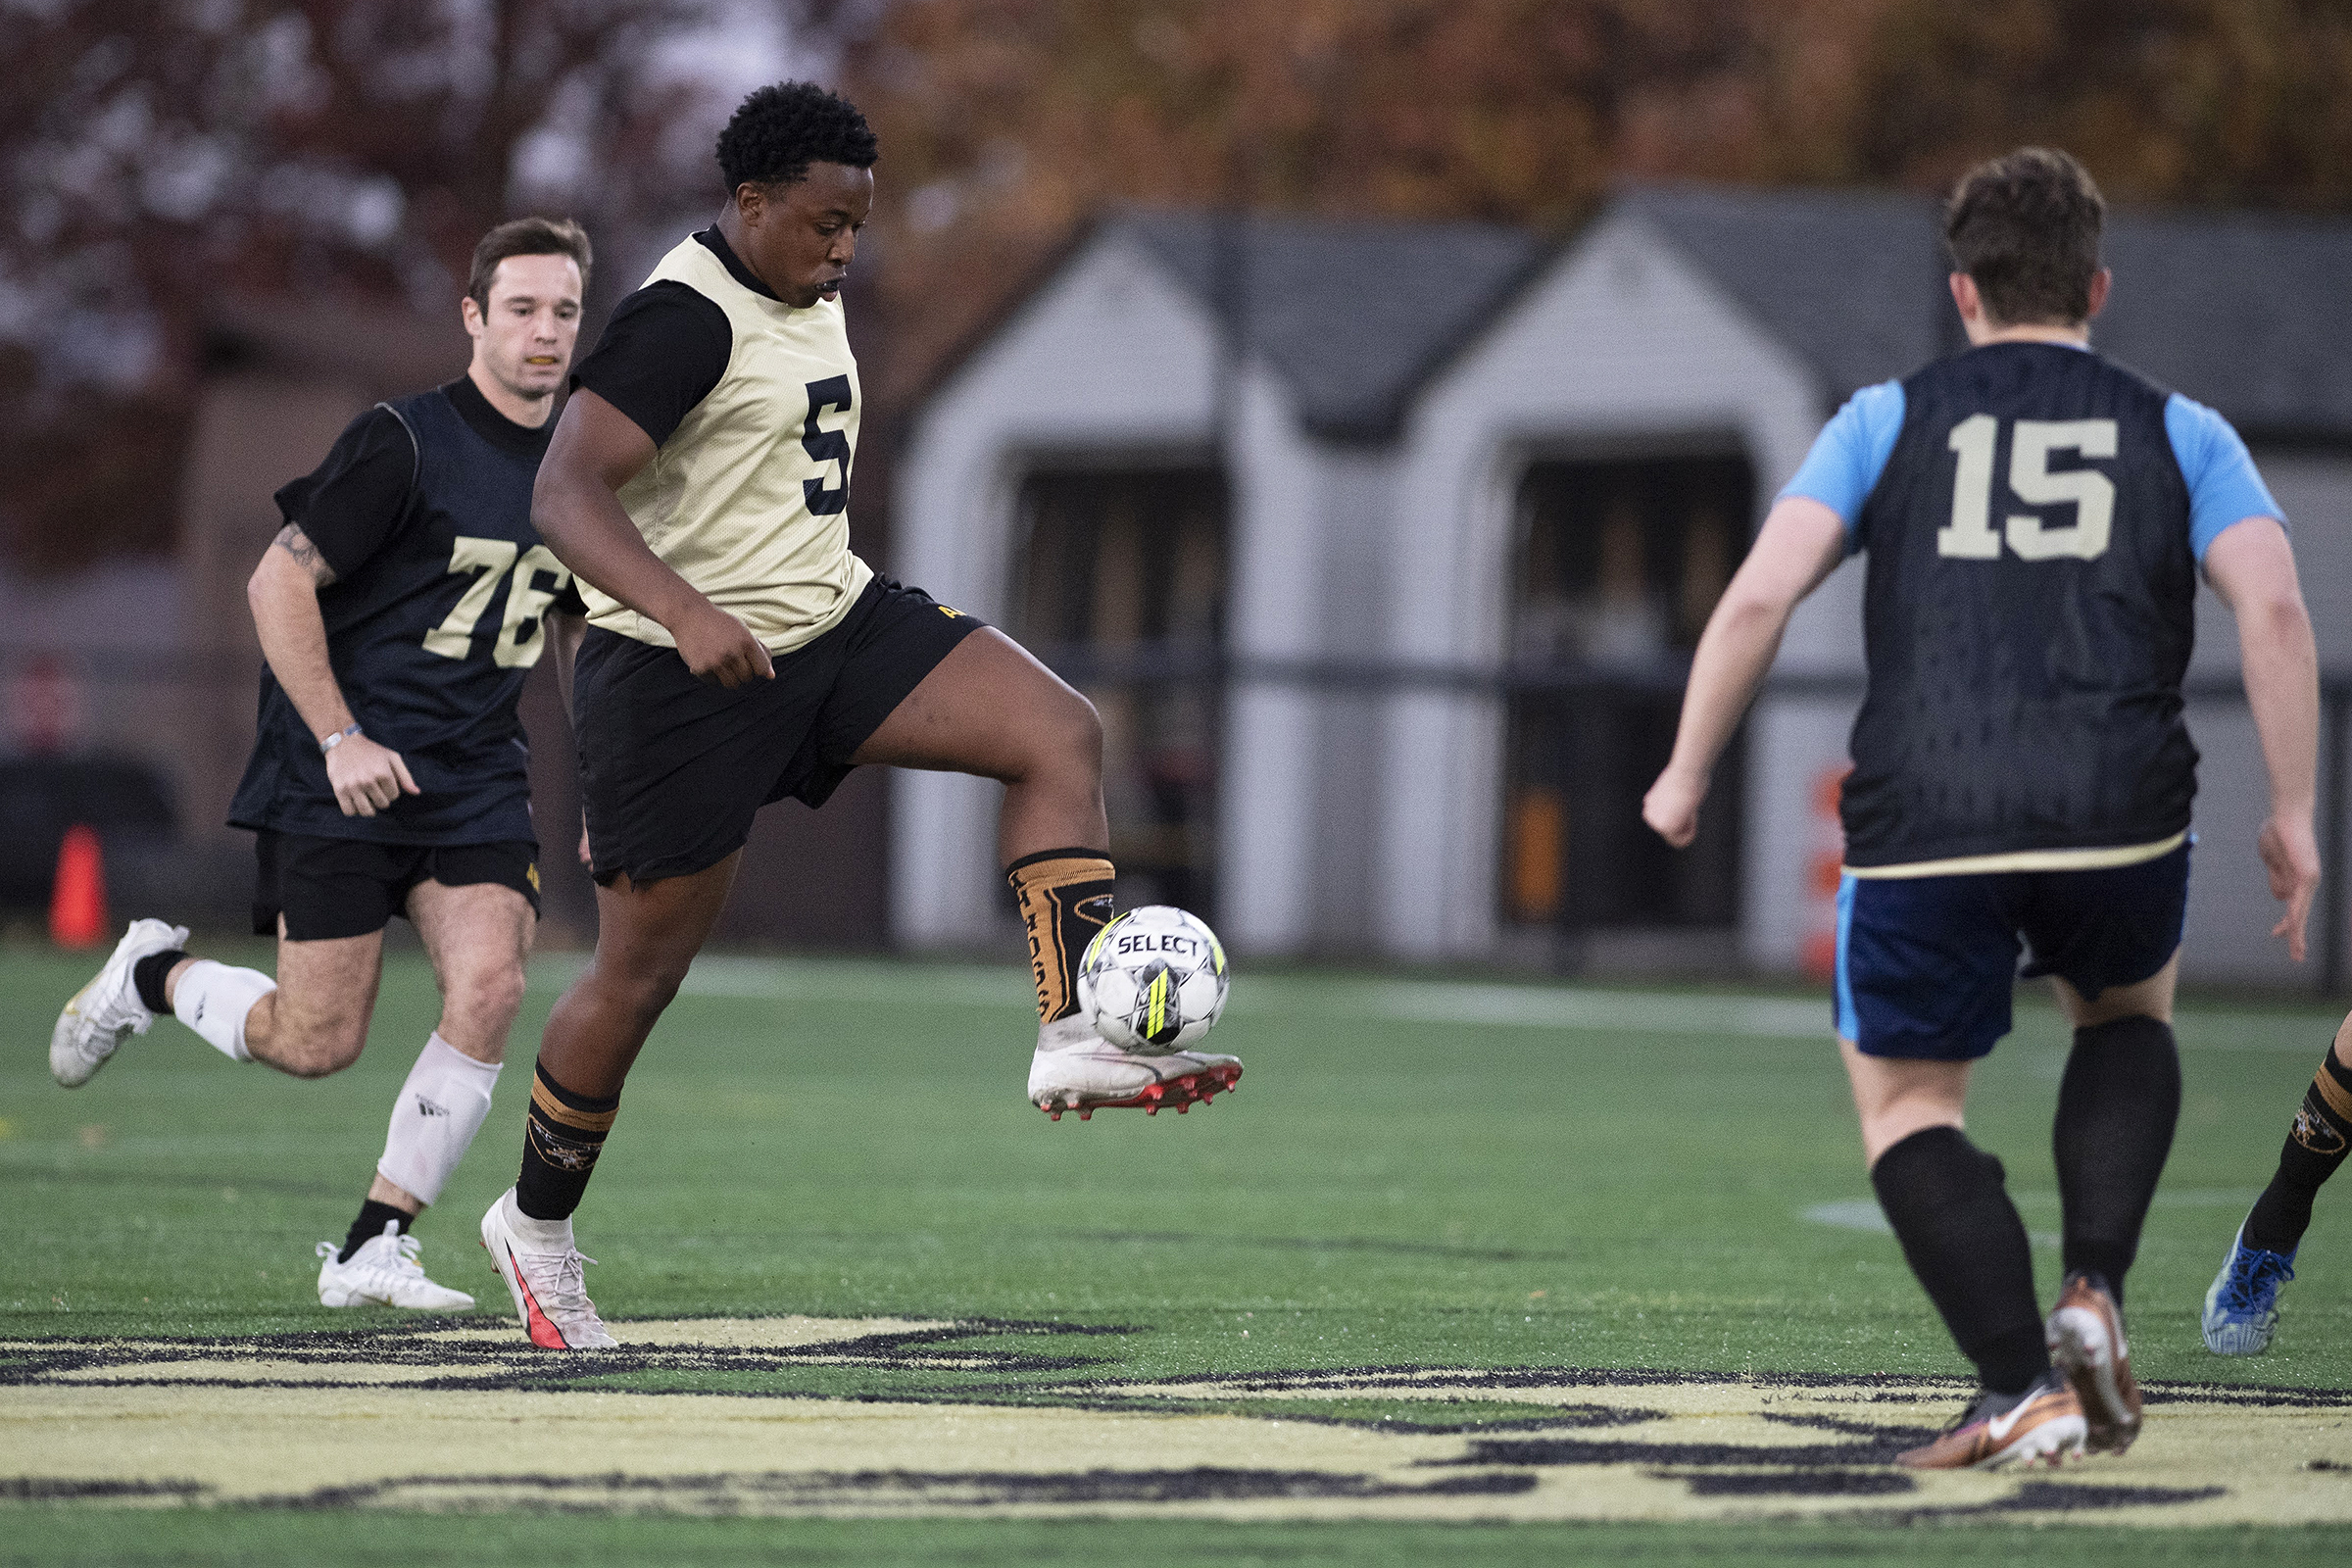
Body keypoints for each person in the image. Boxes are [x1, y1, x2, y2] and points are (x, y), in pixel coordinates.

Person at [475, 82, 1242, 1350]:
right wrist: (682, 611)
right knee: (640, 975)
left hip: (833, 629)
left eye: (857, 227)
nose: (842, 250)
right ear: (751, 201)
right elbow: (563, 490)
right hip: (678, 682)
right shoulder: (682, 317)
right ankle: (535, 1227)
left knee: (1057, 733)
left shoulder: (810, 292)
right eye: (824, 223)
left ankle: (1075, 1033)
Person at [1642, 148, 2313, 1468]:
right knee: (2122, 1016)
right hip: (2119, 803)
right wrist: (2294, 810)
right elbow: (2278, 606)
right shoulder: (2184, 428)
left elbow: (1763, 595)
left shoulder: (1883, 418)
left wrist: (1685, 769)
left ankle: (2020, 1385)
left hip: (1931, 803)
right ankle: (2094, 1294)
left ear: (1963, 293)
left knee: (1908, 1107)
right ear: (2097, 285)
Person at [50, 218, 597, 1313]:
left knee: (491, 983)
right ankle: (152, 974)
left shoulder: (585, 466)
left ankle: (372, 1244)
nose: (545, 332)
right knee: (315, 1042)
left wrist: (611, 786)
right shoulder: (404, 440)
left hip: (476, 771)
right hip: (339, 767)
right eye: (523, 308)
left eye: (566, 311)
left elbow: (579, 630)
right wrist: (343, 737)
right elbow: (274, 584)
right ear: (475, 317)